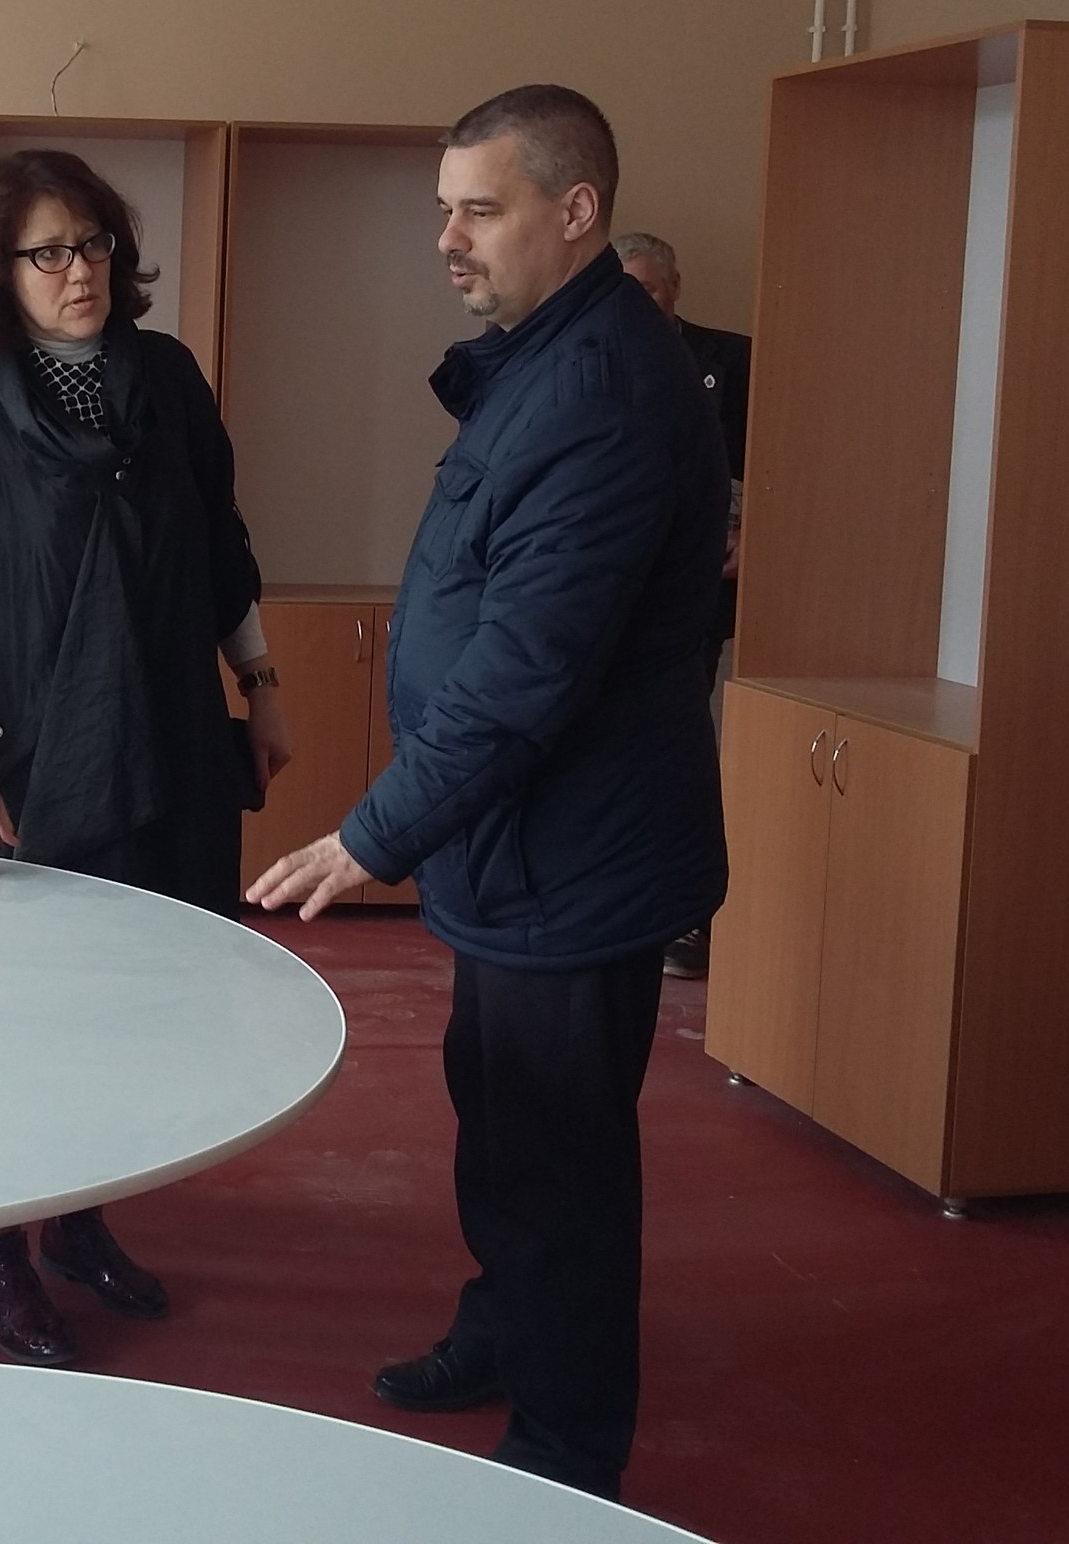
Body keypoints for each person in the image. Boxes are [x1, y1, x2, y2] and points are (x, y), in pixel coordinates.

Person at [248, 86, 727, 1504]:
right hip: (520, 853)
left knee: (559, 1158)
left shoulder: (603, 393)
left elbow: (528, 672)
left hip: (574, 862)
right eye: (443, 210)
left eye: (480, 209)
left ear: (576, 212)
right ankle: (507, 1327)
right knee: (503, 1119)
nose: (447, 239)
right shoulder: (546, 357)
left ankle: (568, 1454)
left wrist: (373, 836)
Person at [0, 148, 294, 1367]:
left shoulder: (169, 381)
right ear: (1, 273)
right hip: (33, 764)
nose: (78, 271)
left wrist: (259, 687)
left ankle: (81, 1222)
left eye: (93, 243)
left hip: (167, 742)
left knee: (131, 1011)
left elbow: (219, 546)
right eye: (46, 252)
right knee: (18, 1023)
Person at [614, 231, 751, 981]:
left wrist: (751, 531)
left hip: (708, 591)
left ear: (675, 288)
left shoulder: (731, 359)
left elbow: (785, 458)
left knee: (688, 744)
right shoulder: (597, 359)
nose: (638, 302)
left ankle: (688, 918)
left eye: (649, 287)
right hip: (625, 587)